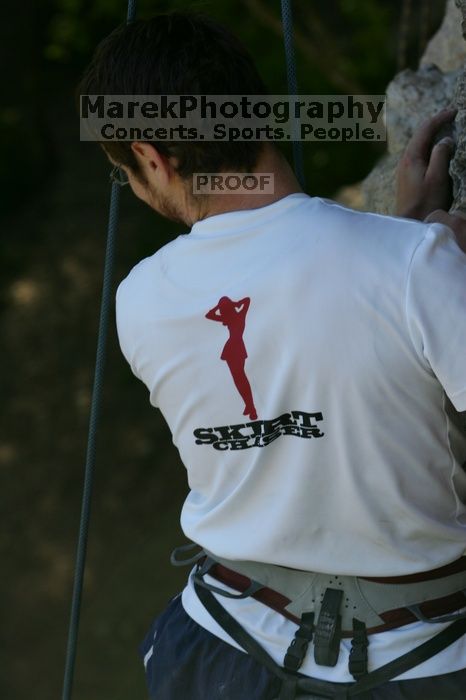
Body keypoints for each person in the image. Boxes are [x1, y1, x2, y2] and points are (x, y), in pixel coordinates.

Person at [78, 11, 466, 700]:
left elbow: (306, 337)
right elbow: (351, 318)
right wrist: (421, 251)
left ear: (152, 158)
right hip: (424, 660)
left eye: (126, 174)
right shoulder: (414, 267)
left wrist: (408, 247)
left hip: (222, 655)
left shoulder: (139, 301)